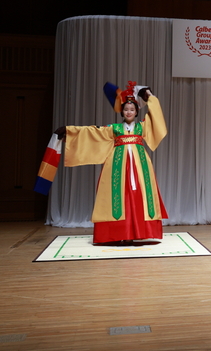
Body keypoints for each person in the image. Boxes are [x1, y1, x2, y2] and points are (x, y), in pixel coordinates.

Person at [56, 81, 168, 245]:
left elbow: (156, 116)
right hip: (117, 165)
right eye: (126, 109)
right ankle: (118, 233)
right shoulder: (113, 128)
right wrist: (69, 131)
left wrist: (150, 97)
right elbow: (92, 132)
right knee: (118, 197)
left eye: (132, 109)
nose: (129, 112)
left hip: (140, 166)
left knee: (139, 196)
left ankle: (138, 232)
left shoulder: (142, 127)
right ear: (122, 111)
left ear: (137, 111)